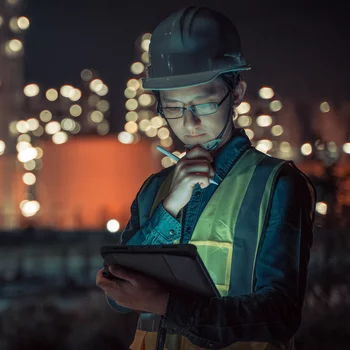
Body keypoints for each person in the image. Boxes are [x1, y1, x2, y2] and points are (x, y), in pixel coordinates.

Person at [96, 5, 316, 350]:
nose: (189, 123)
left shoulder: (277, 185)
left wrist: (164, 304)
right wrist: (171, 206)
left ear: (237, 94)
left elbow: (279, 314)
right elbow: (118, 296)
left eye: (204, 104)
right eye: (173, 107)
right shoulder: (156, 189)